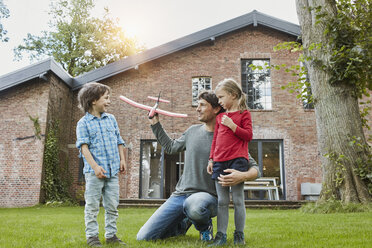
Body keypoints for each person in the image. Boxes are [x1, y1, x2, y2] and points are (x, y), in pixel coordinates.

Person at [137, 90, 259, 242]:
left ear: (216, 109)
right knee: (144, 237)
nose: (197, 108)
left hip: (207, 199)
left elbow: (255, 169)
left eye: (202, 105)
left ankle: (204, 226)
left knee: (194, 206)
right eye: (197, 104)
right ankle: (183, 224)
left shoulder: (232, 137)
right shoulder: (192, 131)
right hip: (180, 195)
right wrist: (155, 123)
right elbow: (170, 147)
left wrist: (243, 176)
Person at [76, 82, 127, 247]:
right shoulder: (83, 123)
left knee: (112, 205)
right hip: (94, 173)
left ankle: (111, 235)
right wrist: (95, 167)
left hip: (112, 172)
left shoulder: (111, 119)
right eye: (106, 98)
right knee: (92, 206)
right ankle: (92, 237)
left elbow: (119, 141)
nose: (109, 101)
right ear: (93, 100)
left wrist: (122, 159)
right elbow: (84, 148)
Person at [207, 78, 252, 246]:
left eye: (221, 97)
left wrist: (233, 125)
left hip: (237, 161)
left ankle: (239, 235)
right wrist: (211, 158)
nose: (219, 101)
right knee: (222, 201)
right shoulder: (219, 118)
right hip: (219, 162)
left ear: (233, 95)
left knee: (238, 200)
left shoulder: (244, 114)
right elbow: (216, 140)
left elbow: (248, 136)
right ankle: (221, 236)